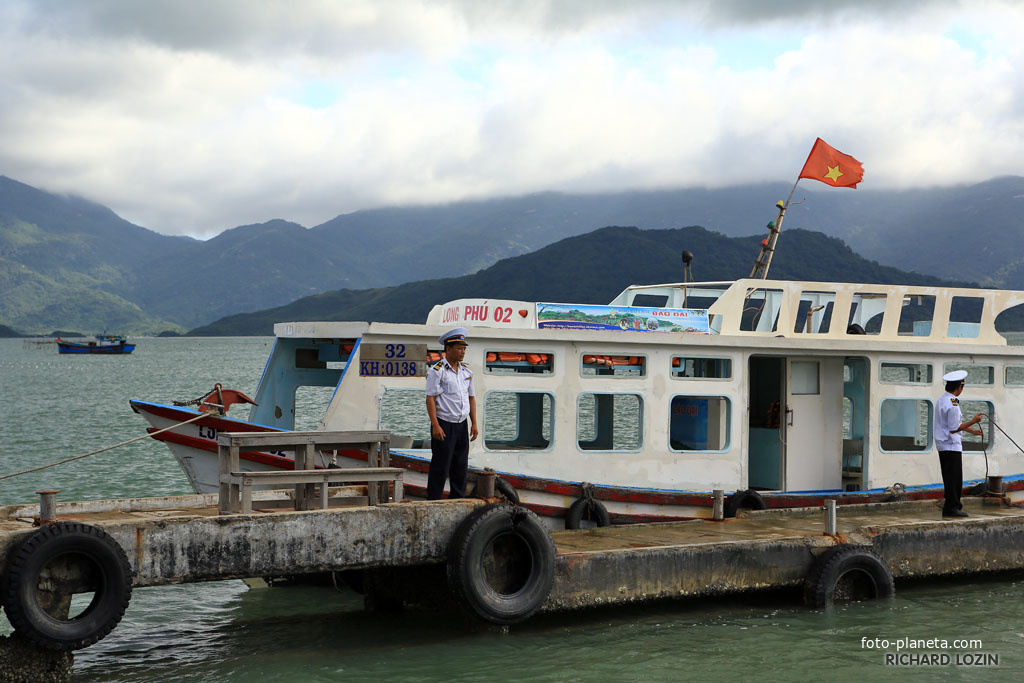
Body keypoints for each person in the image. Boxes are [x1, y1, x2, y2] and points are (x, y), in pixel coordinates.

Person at [425, 327, 478, 499]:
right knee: (440, 466)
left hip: (462, 424)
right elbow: (430, 398)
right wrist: (435, 425)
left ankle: (458, 498)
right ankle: (433, 500)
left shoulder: (467, 373)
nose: (463, 352)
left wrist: (474, 423)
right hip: (444, 424)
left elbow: (471, 398)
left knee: (461, 465)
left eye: (464, 348)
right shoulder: (437, 371)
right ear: (448, 349)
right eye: (459, 348)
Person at [933, 369, 983, 518]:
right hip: (950, 445)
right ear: (959, 387)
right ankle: (952, 508)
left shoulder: (943, 400)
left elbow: (952, 424)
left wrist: (971, 430)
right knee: (954, 479)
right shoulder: (953, 404)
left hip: (945, 444)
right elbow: (954, 428)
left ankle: (951, 507)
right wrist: (974, 421)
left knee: (950, 477)